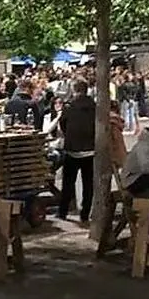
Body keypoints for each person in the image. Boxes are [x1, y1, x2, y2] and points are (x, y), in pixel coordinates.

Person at [57, 81, 95, 222]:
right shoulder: (94, 106)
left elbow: (63, 123)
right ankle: (85, 213)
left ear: (74, 90)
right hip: (90, 149)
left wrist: (69, 135)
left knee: (68, 183)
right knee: (88, 183)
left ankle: (63, 211)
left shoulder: (69, 106)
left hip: (72, 149)